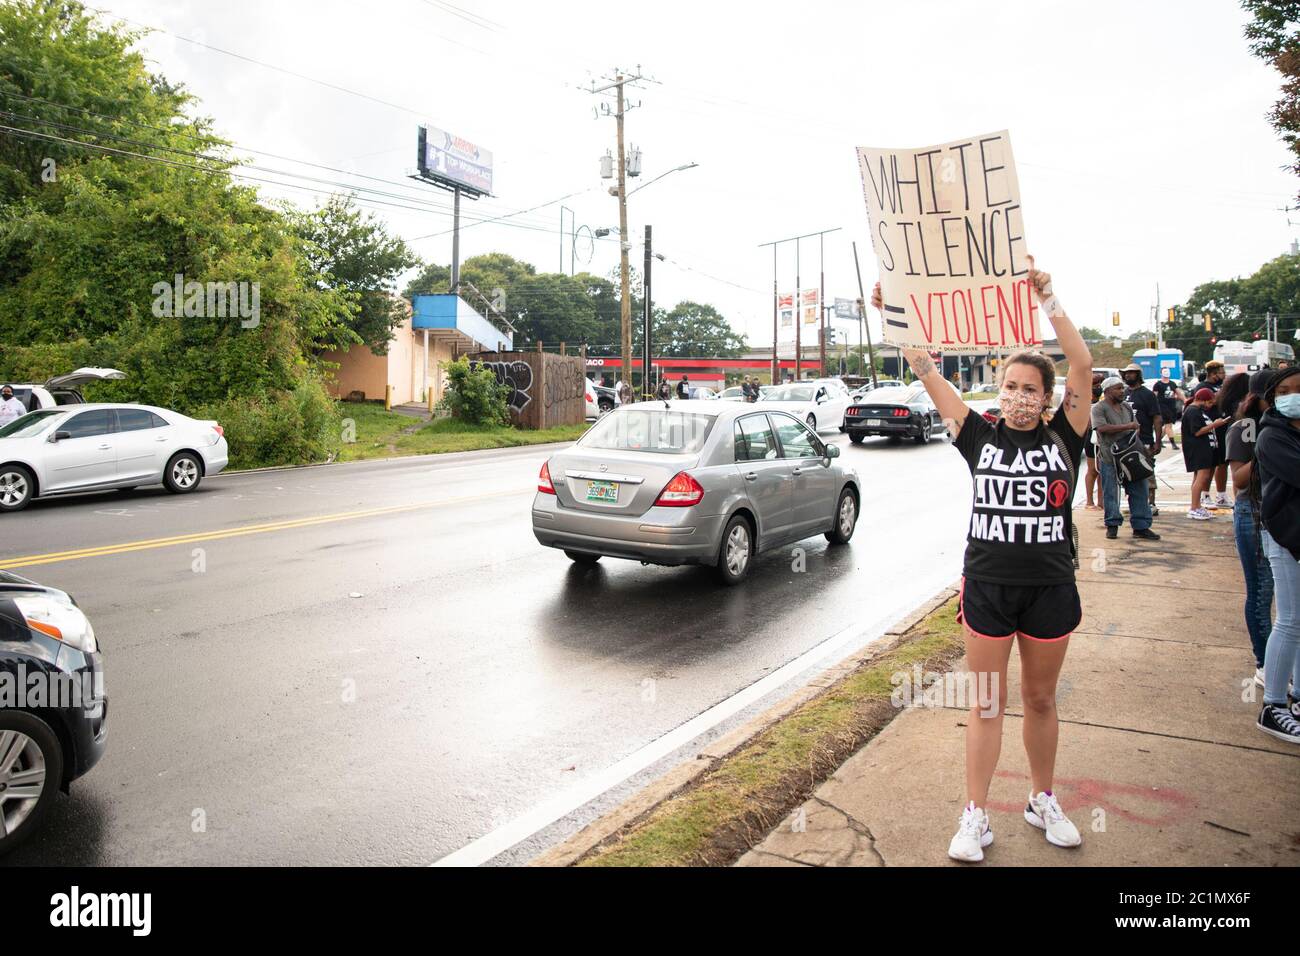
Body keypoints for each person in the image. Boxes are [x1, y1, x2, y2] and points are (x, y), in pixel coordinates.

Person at [876, 255, 1092, 863]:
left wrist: (1049, 300)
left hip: (1050, 586)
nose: (1019, 396)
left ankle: (1041, 797)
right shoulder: (978, 434)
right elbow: (924, 369)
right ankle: (976, 814)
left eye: (1030, 389)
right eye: (1011, 386)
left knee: (1043, 700)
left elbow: (1083, 363)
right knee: (987, 702)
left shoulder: (1066, 438)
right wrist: (892, 312)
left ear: (1050, 398)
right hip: (989, 587)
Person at [1254, 365, 1300, 743]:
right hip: (1286, 537)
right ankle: (1273, 705)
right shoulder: (1272, 436)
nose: (1292, 395)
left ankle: (1297, 698)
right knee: (1289, 621)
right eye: (1284, 390)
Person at [1225, 370, 1276, 689]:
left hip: (1282, 512)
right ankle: (1265, 664)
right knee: (1261, 592)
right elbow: (1239, 481)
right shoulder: (1244, 429)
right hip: (1253, 512)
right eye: (1279, 392)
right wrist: (1268, 448)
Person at [1092, 377, 1160, 541]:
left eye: (1122, 388)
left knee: (1139, 488)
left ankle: (1141, 526)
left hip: (1129, 455)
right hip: (1110, 457)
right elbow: (1102, 428)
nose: (1122, 391)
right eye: (1118, 389)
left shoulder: (1126, 407)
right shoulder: (1099, 408)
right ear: (1107, 391)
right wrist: (1128, 427)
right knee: (1111, 493)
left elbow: (1136, 426)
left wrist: (1133, 435)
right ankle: (1112, 525)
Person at [1181, 387, 1229, 520]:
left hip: (1202, 449)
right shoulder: (1193, 411)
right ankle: (1194, 507)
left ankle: (1196, 506)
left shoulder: (1197, 410)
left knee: (1199, 478)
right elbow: (1197, 431)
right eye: (1209, 402)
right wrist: (1215, 424)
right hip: (1198, 449)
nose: (1210, 406)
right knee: (1202, 477)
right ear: (1202, 400)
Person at [1121, 364, 1162, 515]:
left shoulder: (1147, 394)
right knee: (1129, 474)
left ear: (1138, 375)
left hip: (1144, 439)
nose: (1127, 376)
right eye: (1126, 373)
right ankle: (1136, 503)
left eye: (1131, 373)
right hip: (1125, 441)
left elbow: (1157, 418)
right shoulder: (1122, 393)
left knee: (1147, 471)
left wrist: (1157, 441)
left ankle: (1151, 504)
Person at [1198, 360, 1230, 507]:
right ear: (1213, 374)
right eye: (1222, 373)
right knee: (1209, 464)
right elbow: (1213, 400)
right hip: (1210, 428)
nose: (1224, 375)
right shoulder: (1203, 387)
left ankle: (1221, 495)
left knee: (1223, 462)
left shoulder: (1222, 386)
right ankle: (1204, 495)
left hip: (1223, 427)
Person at [1083, 373, 1103, 510]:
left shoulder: (1102, 402)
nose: (1098, 388)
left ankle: (1101, 502)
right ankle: (1089, 501)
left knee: (1103, 471)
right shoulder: (1084, 402)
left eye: (1099, 385)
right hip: (1091, 438)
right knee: (1092, 470)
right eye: (1095, 385)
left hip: (1103, 437)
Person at [1152, 369, 1181, 449]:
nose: (1166, 373)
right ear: (1161, 373)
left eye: (1167, 371)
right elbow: (1153, 396)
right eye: (1164, 371)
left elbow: (1179, 392)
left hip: (1171, 407)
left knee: (1167, 426)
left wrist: (1185, 400)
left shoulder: (1172, 384)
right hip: (1162, 408)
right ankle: (1173, 444)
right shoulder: (1158, 384)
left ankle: (1158, 441)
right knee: (1168, 426)